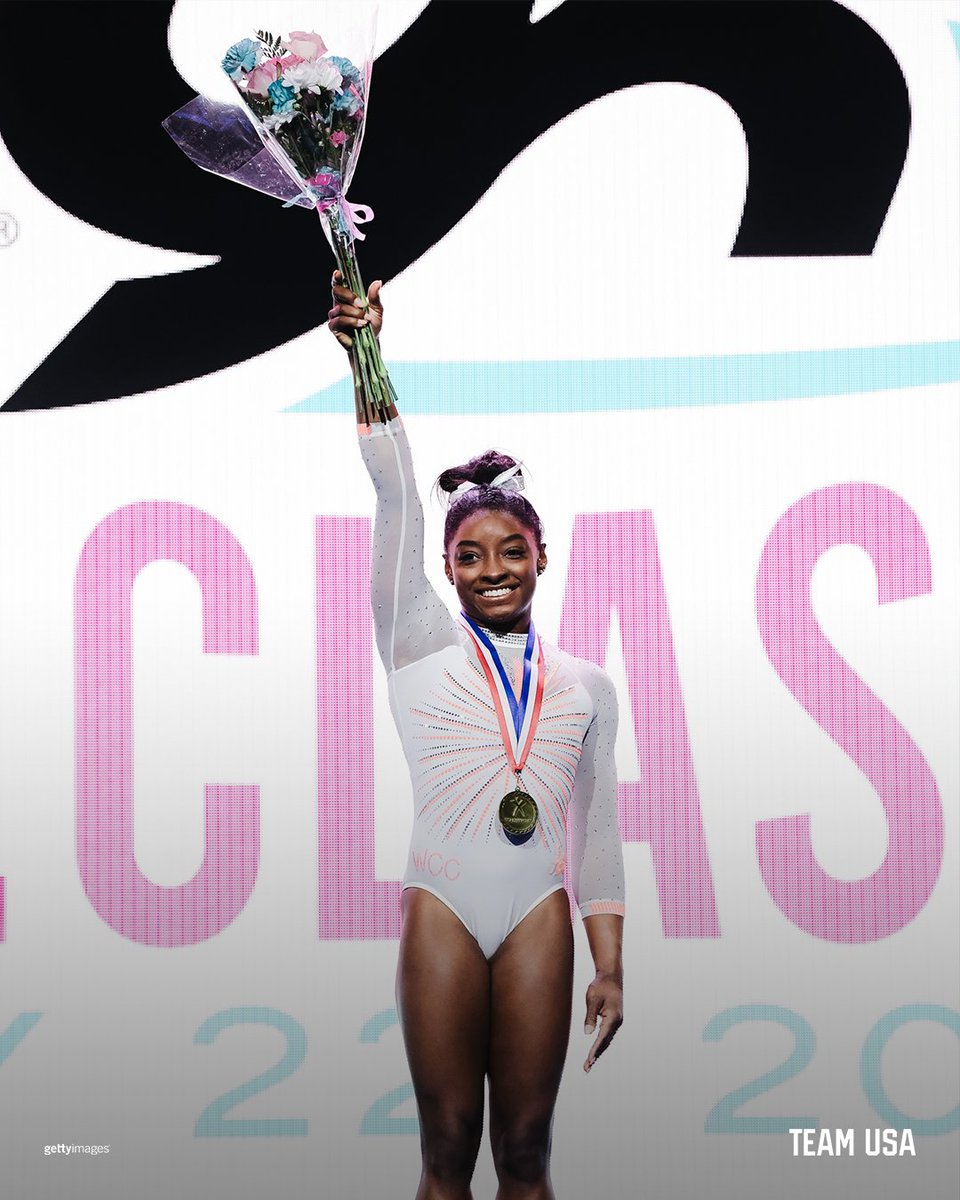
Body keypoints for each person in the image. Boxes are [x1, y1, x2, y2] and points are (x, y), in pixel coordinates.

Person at [329, 272, 626, 1200]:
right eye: (469, 555)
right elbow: (395, 499)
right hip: (446, 909)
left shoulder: (584, 687)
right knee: (447, 1149)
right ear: (446, 568)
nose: (492, 571)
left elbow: (600, 831)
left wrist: (610, 965)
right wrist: (366, 353)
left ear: (544, 556)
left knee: (529, 1155)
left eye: (511, 552)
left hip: (539, 911)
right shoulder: (416, 639)